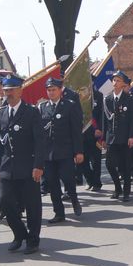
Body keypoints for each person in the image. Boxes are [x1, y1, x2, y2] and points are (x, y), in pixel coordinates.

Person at [0, 75, 46, 254]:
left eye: (11, 90)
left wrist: (38, 165)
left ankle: (33, 239)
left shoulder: (31, 112)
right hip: (7, 167)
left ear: (20, 90)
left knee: (32, 206)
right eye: (6, 90)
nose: (8, 93)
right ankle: (19, 234)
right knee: (5, 201)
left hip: (28, 166)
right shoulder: (0, 113)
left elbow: (40, 141)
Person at [39, 76, 84, 224]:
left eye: (54, 90)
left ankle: (74, 199)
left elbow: (76, 131)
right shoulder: (42, 107)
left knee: (68, 179)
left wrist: (78, 151)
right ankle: (59, 212)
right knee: (52, 184)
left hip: (65, 151)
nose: (51, 93)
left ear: (60, 90)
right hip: (48, 154)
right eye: (49, 90)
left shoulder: (69, 106)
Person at [104, 71, 133, 201]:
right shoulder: (108, 99)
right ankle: (118, 188)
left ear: (123, 83)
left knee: (125, 166)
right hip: (111, 138)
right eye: (114, 80)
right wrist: (104, 138)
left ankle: (126, 192)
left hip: (125, 138)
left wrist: (132, 136)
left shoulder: (129, 99)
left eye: (118, 80)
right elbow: (105, 120)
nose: (115, 82)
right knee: (109, 164)